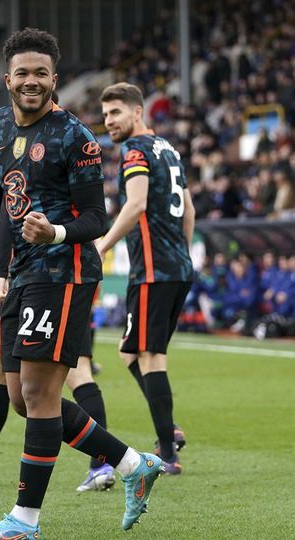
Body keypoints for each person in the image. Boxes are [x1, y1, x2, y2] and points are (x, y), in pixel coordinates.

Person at [0, 28, 163, 539]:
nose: (32, 82)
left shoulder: (74, 136)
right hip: (22, 270)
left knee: (38, 393)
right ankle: (131, 464)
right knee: (19, 398)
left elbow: (97, 217)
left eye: (41, 74)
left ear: (56, 79)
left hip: (66, 271)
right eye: (23, 73)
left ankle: (23, 522)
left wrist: (55, 231)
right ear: (8, 78)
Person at [0, 212, 117, 494]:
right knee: (78, 372)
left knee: (8, 375)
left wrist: (1, 273)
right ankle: (105, 464)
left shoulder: (20, 175)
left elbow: (4, 216)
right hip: (75, 275)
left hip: (32, 279)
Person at [96, 82, 195, 475]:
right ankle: (168, 428)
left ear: (137, 112)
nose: (109, 122)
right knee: (129, 352)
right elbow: (189, 210)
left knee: (151, 357)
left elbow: (136, 204)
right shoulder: (168, 148)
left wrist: (102, 244)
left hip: (154, 271)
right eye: (105, 115)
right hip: (176, 268)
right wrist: (182, 255)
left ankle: (168, 454)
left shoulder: (135, 151)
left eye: (116, 113)